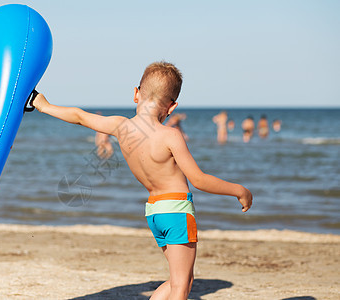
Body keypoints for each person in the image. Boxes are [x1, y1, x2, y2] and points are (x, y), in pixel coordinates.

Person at [33, 61, 252, 300]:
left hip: (154, 212)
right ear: (172, 107)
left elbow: (79, 116)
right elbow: (198, 179)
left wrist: (43, 105)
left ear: (136, 94)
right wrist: (239, 190)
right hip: (177, 210)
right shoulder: (170, 135)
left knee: (180, 280)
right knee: (181, 285)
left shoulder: (121, 127)